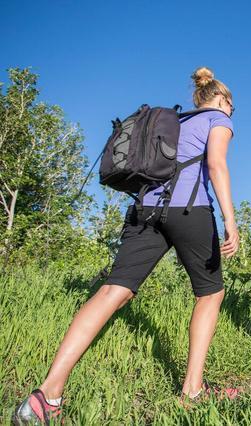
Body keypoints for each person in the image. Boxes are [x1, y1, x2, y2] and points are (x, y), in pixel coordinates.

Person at [13, 66, 239, 423]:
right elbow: (216, 165)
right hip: (190, 210)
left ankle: (47, 394)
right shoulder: (218, 120)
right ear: (223, 100)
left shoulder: (175, 121)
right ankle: (192, 389)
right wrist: (230, 219)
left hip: (145, 210)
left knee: (112, 291)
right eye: (232, 106)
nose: (231, 112)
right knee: (210, 294)